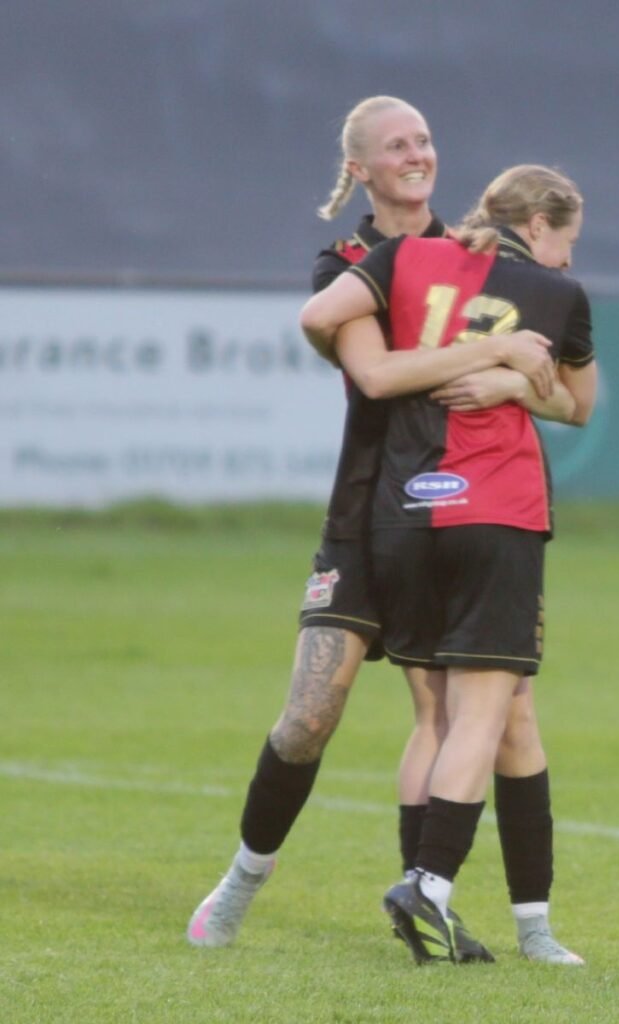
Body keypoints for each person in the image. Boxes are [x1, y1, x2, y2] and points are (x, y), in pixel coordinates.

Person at [186, 97, 578, 963]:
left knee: (454, 709)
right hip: (362, 515)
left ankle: (432, 914)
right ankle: (243, 878)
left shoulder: (474, 249)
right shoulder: (351, 263)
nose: (419, 154)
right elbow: (374, 374)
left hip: (446, 509)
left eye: (427, 139)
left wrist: (519, 378)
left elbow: (565, 386)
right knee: (309, 715)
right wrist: (496, 354)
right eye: (398, 145)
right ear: (359, 168)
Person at [300, 163, 597, 965]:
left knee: (441, 714)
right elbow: (579, 405)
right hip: (496, 510)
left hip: (402, 514)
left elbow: (319, 316)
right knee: (486, 714)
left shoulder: (404, 259)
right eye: (566, 241)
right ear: (538, 228)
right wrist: (503, 371)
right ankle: (429, 887)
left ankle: (505, 924)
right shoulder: (557, 297)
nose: (568, 261)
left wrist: (399, 365)